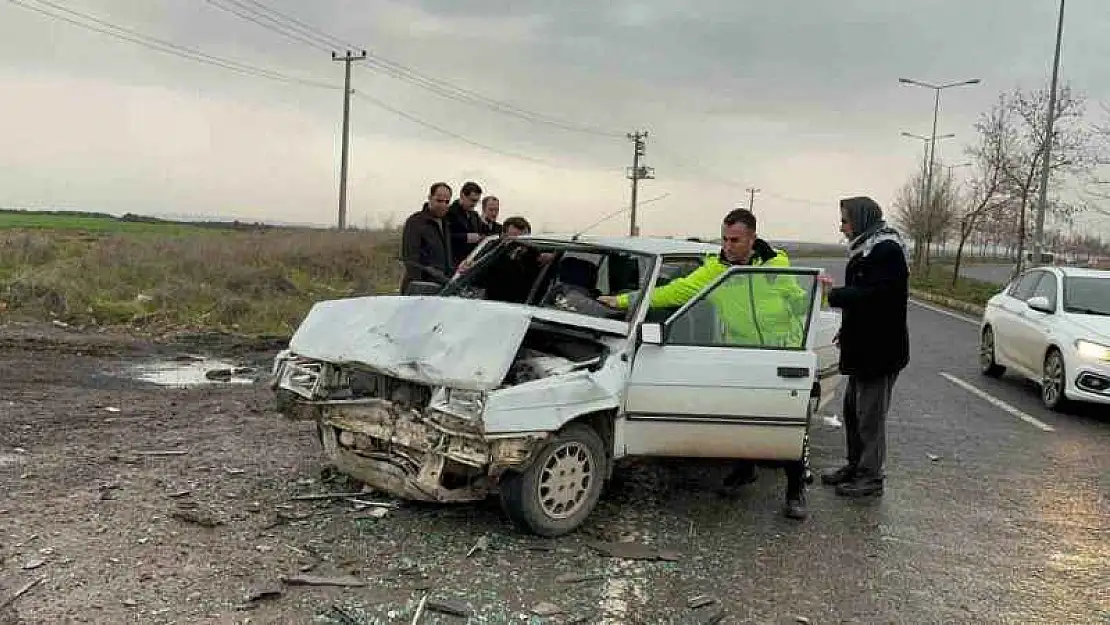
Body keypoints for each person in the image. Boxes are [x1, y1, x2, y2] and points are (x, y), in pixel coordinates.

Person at [598, 208, 811, 519]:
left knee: (790, 427)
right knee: (742, 417)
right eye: (724, 239)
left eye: (735, 240)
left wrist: (819, 294)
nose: (728, 246)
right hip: (740, 356)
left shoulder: (777, 265)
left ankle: (795, 491)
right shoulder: (716, 270)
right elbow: (675, 292)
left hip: (782, 355)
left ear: (752, 238)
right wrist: (622, 301)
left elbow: (802, 299)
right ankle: (744, 469)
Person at [817, 196, 909, 498]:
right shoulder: (865, 247)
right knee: (853, 410)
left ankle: (871, 476)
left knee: (870, 414)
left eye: (846, 220)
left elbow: (878, 297)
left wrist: (835, 295)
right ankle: (855, 465)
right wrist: (847, 328)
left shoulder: (887, 250)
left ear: (861, 219)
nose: (842, 227)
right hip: (862, 345)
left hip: (880, 349)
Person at [400, 182, 453, 294]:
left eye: (447, 202)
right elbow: (410, 259)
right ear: (430, 198)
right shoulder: (416, 222)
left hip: (441, 289)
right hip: (419, 289)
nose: (443, 205)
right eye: (439, 201)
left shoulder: (446, 223)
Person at [446, 181, 484, 267]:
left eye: (477, 201)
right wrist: (465, 237)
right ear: (462, 195)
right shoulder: (448, 212)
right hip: (454, 262)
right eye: (472, 200)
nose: (474, 204)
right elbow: (444, 236)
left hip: (470, 262)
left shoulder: (475, 215)